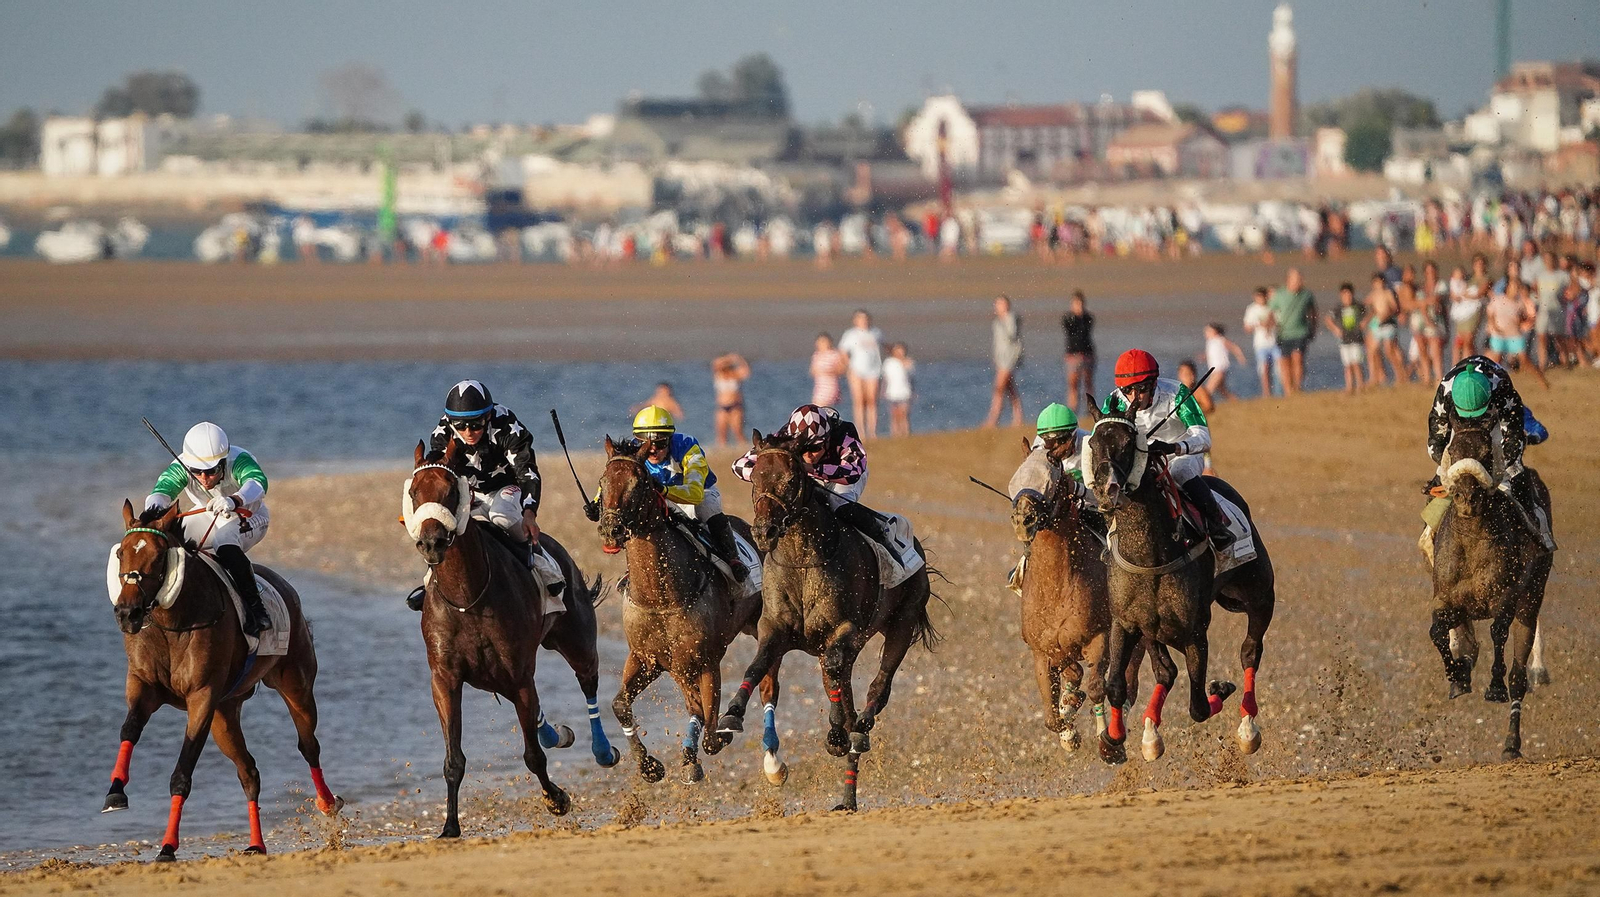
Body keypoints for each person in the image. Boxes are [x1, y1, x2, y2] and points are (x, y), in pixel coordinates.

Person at [409, 380, 563, 611]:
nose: (468, 433)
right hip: (467, 491)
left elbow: (527, 471)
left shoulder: (507, 426)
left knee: (502, 517)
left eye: (476, 425)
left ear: (488, 417)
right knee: (446, 527)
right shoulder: (442, 433)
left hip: (506, 488)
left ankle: (544, 564)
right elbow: (438, 475)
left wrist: (530, 512)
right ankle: (431, 579)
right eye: (460, 426)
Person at [588, 406, 747, 580]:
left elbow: (695, 493)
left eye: (661, 443)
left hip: (698, 494)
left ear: (670, 439)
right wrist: (597, 503)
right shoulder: (631, 452)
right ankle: (634, 571)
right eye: (646, 444)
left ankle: (732, 559)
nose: (653, 450)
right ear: (637, 440)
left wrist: (663, 490)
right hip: (661, 498)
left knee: (707, 508)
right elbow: (614, 481)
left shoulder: (687, 446)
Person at [143, 422, 272, 635]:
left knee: (224, 542)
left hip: (246, 516)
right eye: (197, 472)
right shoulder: (181, 466)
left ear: (222, 462)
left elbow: (257, 482)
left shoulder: (238, 460)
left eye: (211, 472)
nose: (204, 480)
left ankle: (257, 610)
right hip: (209, 514)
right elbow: (162, 491)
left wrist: (234, 500)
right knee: (167, 539)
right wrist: (154, 511)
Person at [1101, 350, 1234, 549]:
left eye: (1142, 389)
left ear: (1154, 383)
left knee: (1178, 471)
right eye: (1128, 390)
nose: (1134, 397)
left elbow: (1204, 438)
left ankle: (1217, 526)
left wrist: (1173, 447)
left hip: (1182, 455)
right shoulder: (1114, 402)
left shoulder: (1178, 393)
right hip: (1139, 459)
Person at [1424, 359, 1554, 550]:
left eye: (1475, 412)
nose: (1472, 417)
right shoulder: (1445, 391)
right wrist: (1452, 468)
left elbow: (1513, 440)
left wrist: (1492, 471)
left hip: (1493, 426)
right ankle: (1428, 533)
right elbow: (1435, 443)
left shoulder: (1502, 388)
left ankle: (1538, 531)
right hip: (1459, 430)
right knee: (1441, 479)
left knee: (1514, 473)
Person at [731, 404, 895, 554]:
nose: (807, 454)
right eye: (802, 448)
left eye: (815, 448)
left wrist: (809, 469)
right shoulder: (784, 437)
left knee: (838, 504)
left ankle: (882, 540)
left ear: (828, 439)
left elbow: (852, 472)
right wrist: (770, 473)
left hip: (844, 477)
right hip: (807, 475)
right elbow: (738, 465)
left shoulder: (844, 435)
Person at [1269, 268, 1317, 394]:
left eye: (1300, 279)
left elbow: (1313, 311)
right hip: (1283, 334)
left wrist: (1313, 328)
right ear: (1288, 280)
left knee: (1298, 358)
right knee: (1285, 363)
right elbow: (1271, 312)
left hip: (1301, 332)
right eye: (1297, 279)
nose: (1300, 281)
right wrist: (1272, 326)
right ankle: (1288, 390)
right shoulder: (1279, 294)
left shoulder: (1307, 294)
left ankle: (1297, 387)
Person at [837, 310, 884, 439]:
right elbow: (842, 351)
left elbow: (883, 346)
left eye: (865, 318)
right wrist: (847, 366)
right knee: (859, 400)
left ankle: (872, 431)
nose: (863, 321)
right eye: (860, 319)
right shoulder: (850, 334)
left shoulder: (876, 332)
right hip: (856, 370)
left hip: (874, 370)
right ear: (855, 320)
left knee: (872, 400)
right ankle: (860, 431)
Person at [985, 295, 1025, 428]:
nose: (998, 307)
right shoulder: (997, 322)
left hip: (1009, 360)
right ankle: (1018, 418)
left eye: (1001, 304)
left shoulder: (1010, 318)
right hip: (1001, 360)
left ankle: (993, 419)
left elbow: (1012, 336)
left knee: (999, 389)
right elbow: (997, 343)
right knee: (1010, 389)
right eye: (997, 304)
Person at [1323, 282, 1367, 395]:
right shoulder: (1338, 308)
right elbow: (1327, 319)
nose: (1347, 297)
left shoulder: (1358, 306)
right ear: (1341, 295)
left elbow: (1368, 314)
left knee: (1357, 363)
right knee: (1347, 365)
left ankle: (1360, 386)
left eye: (1349, 294)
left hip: (1357, 339)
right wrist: (1335, 329)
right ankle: (1349, 387)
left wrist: (1364, 323)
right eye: (1345, 295)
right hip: (1344, 340)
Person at [1365, 272, 1405, 386]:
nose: (1379, 285)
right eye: (1376, 283)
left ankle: (1399, 375)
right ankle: (1375, 377)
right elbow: (1367, 306)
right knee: (1372, 351)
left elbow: (1395, 308)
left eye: (1380, 282)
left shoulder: (1388, 293)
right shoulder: (1372, 295)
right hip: (1377, 324)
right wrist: (1366, 320)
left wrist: (1386, 314)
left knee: (1389, 351)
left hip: (1388, 323)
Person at [1062, 290, 1096, 412]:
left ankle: (1090, 410)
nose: (1079, 306)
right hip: (1073, 355)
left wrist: (1081, 317)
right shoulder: (1068, 318)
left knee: (1088, 383)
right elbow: (1069, 329)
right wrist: (1075, 316)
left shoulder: (1088, 318)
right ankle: (1073, 410)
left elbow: (1086, 332)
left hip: (1087, 354)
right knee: (1073, 385)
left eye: (1080, 303)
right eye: (1076, 303)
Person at [1242, 287, 1280, 397]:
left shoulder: (1272, 307)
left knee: (1279, 370)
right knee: (1264, 369)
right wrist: (1259, 324)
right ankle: (1267, 394)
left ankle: (1279, 393)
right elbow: (1247, 327)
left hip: (1275, 342)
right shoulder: (1252, 309)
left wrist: (1269, 323)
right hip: (1261, 344)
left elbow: (1278, 322)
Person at [711, 353, 751, 448]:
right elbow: (715, 363)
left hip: (735, 407)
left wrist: (738, 359)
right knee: (721, 433)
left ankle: (745, 448)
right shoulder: (718, 375)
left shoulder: (735, 375)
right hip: (722, 407)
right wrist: (727, 358)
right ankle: (722, 452)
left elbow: (747, 372)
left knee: (738, 431)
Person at [1201, 323, 1247, 400]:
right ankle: (1236, 401)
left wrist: (1241, 357)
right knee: (1222, 390)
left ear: (1215, 331)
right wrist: (1203, 357)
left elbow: (1234, 347)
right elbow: (1213, 353)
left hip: (1220, 369)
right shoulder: (1210, 342)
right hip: (1214, 370)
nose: (1206, 333)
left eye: (1208, 331)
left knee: (1208, 390)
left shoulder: (1220, 339)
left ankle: (1203, 406)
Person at [881, 342, 915, 437]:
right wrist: (883, 391)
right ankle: (895, 434)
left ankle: (906, 433)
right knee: (894, 415)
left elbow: (912, 379)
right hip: (892, 392)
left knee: (904, 414)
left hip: (905, 392)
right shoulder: (889, 362)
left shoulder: (909, 362)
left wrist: (914, 391)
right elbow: (885, 378)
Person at [809, 333, 847, 407]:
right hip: (819, 385)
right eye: (820, 342)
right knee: (816, 405)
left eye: (825, 342)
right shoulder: (817, 355)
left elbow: (842, 369)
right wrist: (817, 372)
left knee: (822, 406)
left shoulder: (834, 354)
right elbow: (812, 370)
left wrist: (830, 372)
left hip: (830, 384)